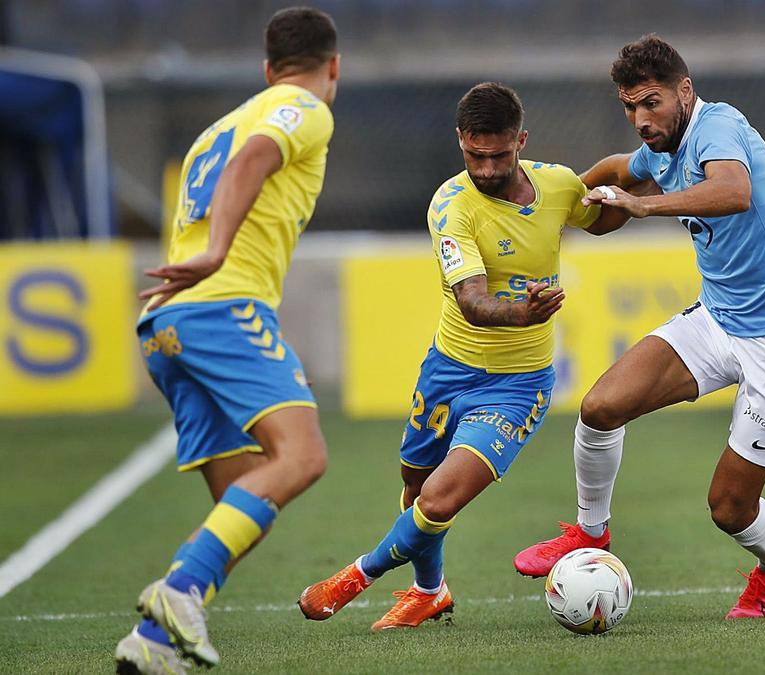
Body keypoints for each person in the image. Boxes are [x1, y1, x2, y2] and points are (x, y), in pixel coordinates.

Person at [512, 35, 765, 620]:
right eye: (630, 107)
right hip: (719, 319)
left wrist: (643, 207)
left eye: (651, 103)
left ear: (684, 91)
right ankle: (591, 535)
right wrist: (556, 205)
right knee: (600, 408)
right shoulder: (658, 145)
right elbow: (615, 172)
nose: (640, 119)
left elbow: (734, 192)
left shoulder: (718, 127)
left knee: (730, 509)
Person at [296, 82, 627, 630]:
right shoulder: (452, 207)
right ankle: (430, 591)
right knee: (414, 485)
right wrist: (519, 312)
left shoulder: (559, 186)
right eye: (476, 155)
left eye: (500, 154)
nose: (488, 167)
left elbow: (603, 218)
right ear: (460, 142)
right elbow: (473, 301)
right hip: (449, 370)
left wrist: (636, 180)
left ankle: (356, 576)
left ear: (521, 140)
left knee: (439, 499)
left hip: (518, 386)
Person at [114, 7, 339, 672]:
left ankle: (153, 644)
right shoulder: (303, 106)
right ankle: (179, 589)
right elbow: (253, 159)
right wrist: (218, 252)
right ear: (333, 68)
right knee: (301, 457)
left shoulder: (218, 124)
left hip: (169, 327)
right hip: (221, 308)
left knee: (243, 495)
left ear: (266, 67)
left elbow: (238, 155)